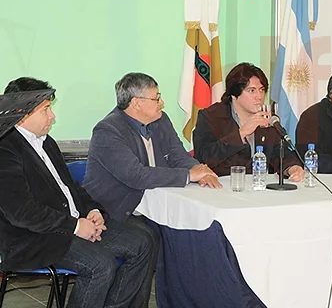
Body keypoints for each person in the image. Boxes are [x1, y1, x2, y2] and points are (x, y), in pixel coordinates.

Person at [0, 77, 152, 308]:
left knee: (143, 242)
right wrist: (76, 226)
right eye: (46, 109)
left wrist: (93, 210)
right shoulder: (5, 149)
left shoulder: (46, 142)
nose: (53, 117)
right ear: (22, 112)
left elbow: (71, 188)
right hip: (32, 239)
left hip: (68, 225)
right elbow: (23, 213)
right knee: (100, 265)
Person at [83, 72, 221, 308]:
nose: (162, 103)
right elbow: (135, 175)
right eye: (156, 98)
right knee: (148, 240)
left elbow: (178, 155)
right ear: (137, 103)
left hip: (152, 206)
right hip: (113, 211)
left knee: (188, 231)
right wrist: (189, 175)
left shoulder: (161, 120)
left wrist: (200, 170)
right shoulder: (108, 131)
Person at [193, 62, 304, 179]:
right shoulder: (211, 117)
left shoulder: (267, 119)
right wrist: (242, 133)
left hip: (258, 188)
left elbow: (280, 153)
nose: (259, 96)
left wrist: (292, 167)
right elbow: (204, 157)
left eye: (262, 90)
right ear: (234, 94)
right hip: (221, 188)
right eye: (252, 91)